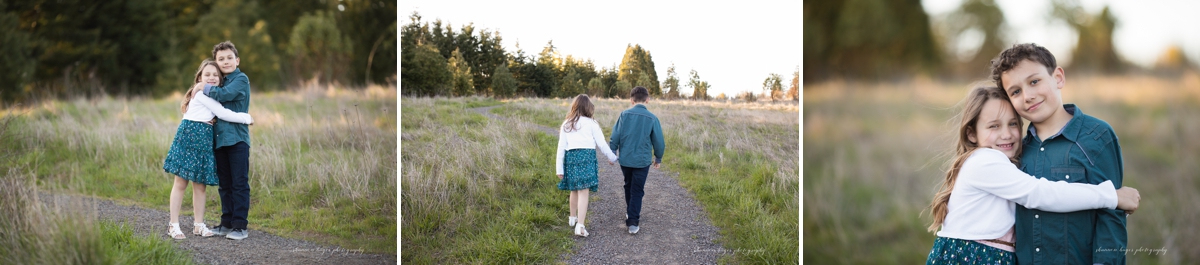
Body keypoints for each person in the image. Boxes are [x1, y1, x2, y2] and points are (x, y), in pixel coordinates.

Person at [924, 84, 1140, 264]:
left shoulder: (1006, 163)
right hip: (970, 258)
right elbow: (1039, 193)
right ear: (971, 134)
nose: (1006, 134)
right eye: (993, 126)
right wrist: (1110, 196)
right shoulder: (984, 160)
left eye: (1012, 124)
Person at [991, 43, 1129, 264]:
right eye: (1015, 92)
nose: (1027, 96)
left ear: (1058, 78)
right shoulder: (1015, 149)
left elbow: (1111, 215)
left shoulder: (1096, 136)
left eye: (1034, 82)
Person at [164, 59, 254, 239]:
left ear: (221, 81)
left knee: (200, 185)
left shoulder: (211, 93)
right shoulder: (201, 94)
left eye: (215, 75)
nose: (211, 78)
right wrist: (247, 118)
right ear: (199, 78)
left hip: (204, 140)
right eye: (207, 75)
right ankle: (173, 225)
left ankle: (198, 224)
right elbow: (222, 113)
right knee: (181, 183)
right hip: (189, 137)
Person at [192, 41, 253, 240]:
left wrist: (202, 86)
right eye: (221, 59)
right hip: (219, 141)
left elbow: (225, 95)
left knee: (239, 183)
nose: (225, 62)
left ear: (237, 60)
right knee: (224, 184)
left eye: (229, 58)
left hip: (237, 139)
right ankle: (226, 223)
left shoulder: (240, 79)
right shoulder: (219, 81)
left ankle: (239, 226)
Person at [556, 94, 618, 237]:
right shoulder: (592, 123)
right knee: (584, 192)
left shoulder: (567, 123)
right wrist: (612, 157)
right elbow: (601, 144)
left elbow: (561, 148)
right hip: (587, 159)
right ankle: (580, 226)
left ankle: (572, 218)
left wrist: (559, 168)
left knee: (574, 189)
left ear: (574, 106)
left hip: (571, 159)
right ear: (589, 108)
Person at [608, 86, 664, 234]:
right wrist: (658, 157)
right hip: (642, 161)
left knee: (628, 185)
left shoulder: (624, 115)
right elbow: (659, 141)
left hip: (625, 160)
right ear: (648, 99)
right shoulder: (652, 118)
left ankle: (630, 212)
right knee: (637, 189)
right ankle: (632, 221)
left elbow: (615, 135)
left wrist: (612, 151)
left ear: (631, 100)